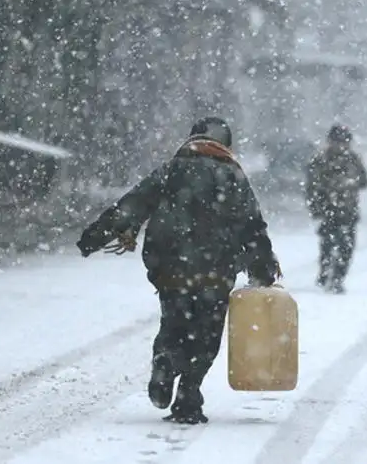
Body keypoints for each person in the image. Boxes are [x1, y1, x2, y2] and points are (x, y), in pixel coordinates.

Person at [76, 117, 280, 424]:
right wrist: (262, 267)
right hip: (215, 271)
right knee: (206, 334)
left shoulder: (171, 170)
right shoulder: (232, 175)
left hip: (170, 267)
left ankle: (165, 362)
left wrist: (94, 237)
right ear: (226, 144)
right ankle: (188, 397)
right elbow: (251, 226)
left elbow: (133, 204)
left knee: (174, 323)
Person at [305, 124, 367, 294]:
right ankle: (325, 274)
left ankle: (337, 279)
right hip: (328, 211)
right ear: (330, 142)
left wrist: (350, 183)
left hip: (348, 211)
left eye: (344, 142)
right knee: (328, 245)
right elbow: (311, 186)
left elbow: (364, 181)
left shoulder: (353, 159)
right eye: (337, 142)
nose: (341, 146)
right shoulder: (320, 160)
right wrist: (316, 207)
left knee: (346, 247)